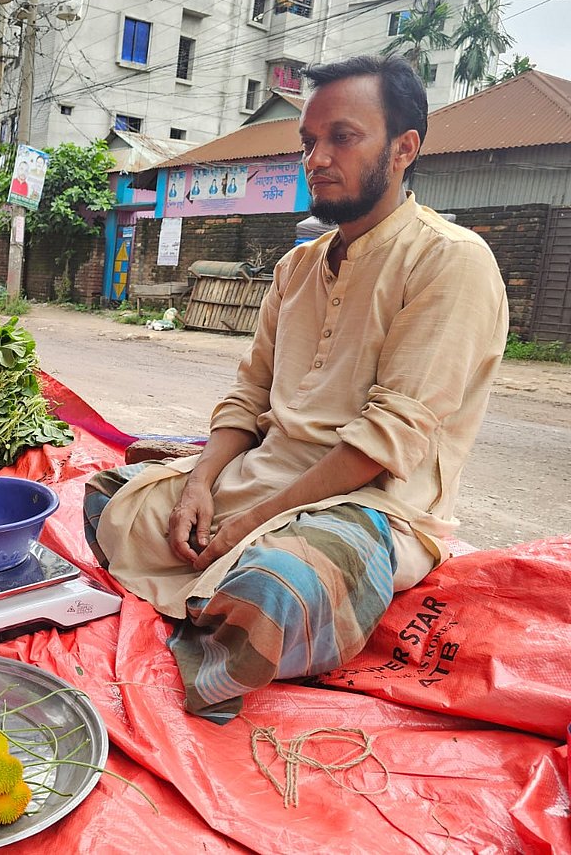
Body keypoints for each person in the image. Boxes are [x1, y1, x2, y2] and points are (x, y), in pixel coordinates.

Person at [83, 54, 508, 724]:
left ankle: (217, 610)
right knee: (107, 498)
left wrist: (246, 524)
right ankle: (207, 611)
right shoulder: (296, 266)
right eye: (308, 142)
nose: (316, 158)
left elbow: (382, 442)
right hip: (263, 477)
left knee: (275, 591)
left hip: (370, 507)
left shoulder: (449, 260)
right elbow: (249, 393)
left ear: (404, 149)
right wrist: (200, 482)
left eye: (342, 137)